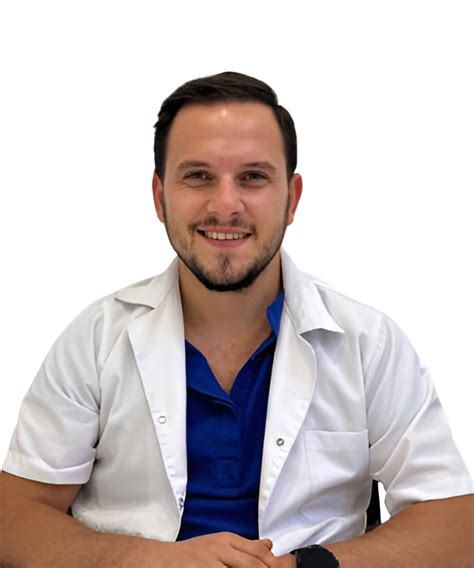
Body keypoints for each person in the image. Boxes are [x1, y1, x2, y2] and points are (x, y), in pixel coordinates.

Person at [1, 71, 472, 568]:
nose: (225, 205)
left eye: (253, 177)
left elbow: (455, 522)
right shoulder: (96, 340)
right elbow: (14, 518)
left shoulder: (368, 343)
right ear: (159, 197)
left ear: (292, 198)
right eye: (198, 176)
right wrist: (152, 560)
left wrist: (301, 567)